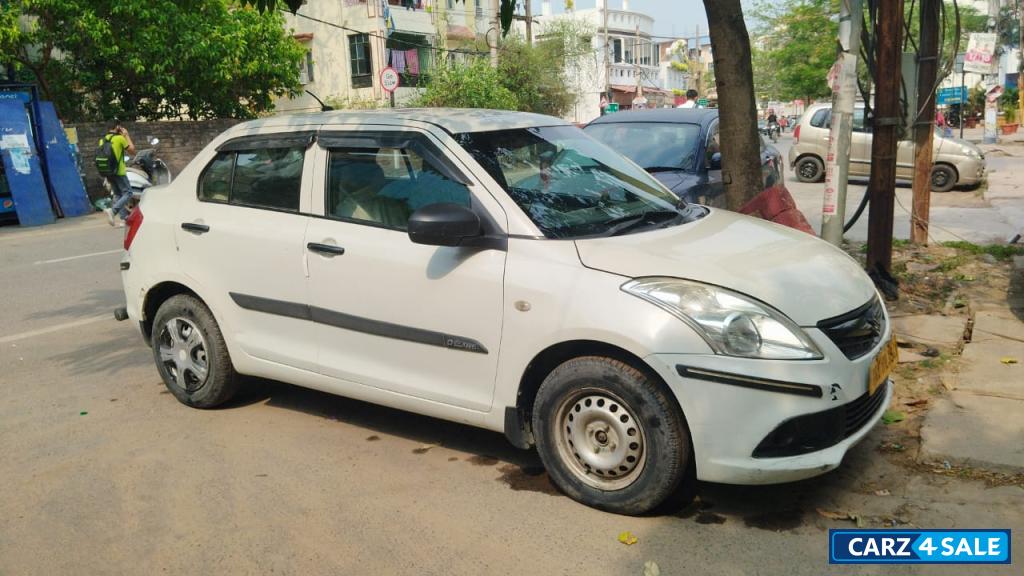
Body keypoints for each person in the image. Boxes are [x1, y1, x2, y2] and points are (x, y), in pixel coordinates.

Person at [100, 125, 136, 226]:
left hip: (107, 172)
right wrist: (126, 135)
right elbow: (132, 151)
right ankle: (113, 211)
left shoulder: (102, 140)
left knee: (117, 194)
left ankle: (124, 219)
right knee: (128, 193)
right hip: (119, 171)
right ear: (117, 127)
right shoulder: (119, 138)